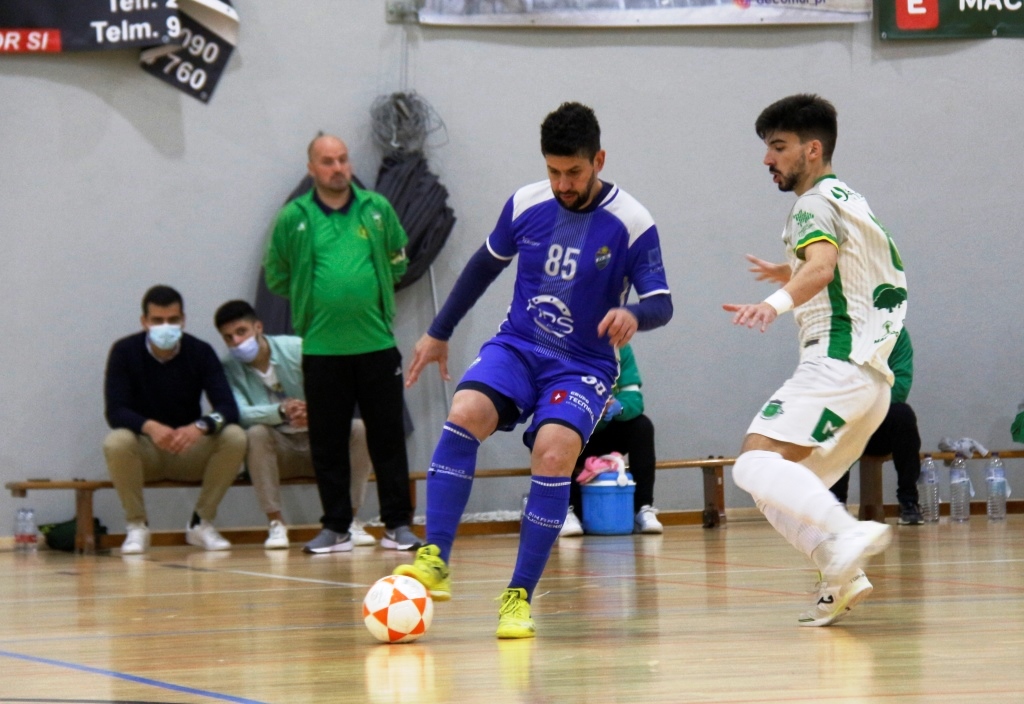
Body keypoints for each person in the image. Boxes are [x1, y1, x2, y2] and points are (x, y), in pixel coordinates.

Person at [393, 102, 673, 639]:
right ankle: (435, 556)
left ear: (599, 160)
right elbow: (481, 267)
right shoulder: (526, 202)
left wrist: (633, 313)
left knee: (554, 450)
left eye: (574, 172)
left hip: (583, 363)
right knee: (466, 409)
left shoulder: (633, 222)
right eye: (554, 171)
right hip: (520, 344)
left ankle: (518, 595)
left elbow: (662, 302)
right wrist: (438, 331)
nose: (563, 183)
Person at [723, 94, 908, 627]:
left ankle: (849, 533)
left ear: (812, 148)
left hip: (835, 363)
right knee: (773, 491)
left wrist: (774, 303)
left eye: (778, 147)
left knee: (754, 462)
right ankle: (842, 577)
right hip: (871, 384)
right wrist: (787, 272)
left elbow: (823, 268)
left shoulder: (810, 204)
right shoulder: (851, 199)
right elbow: (848, 271)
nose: (767, 160)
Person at [263, 134, 420, 554]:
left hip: (376, 344)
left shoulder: (377, 209)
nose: (337, 168)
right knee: (328, 441)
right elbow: (277, 273)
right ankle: (336, 527)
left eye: (343, 159)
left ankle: (397, 526)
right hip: (321, 348)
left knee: (386, 437)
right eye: (327, 161)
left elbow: (398, 259)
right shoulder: (294, 217)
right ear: (312, 169)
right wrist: (311, 297)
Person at [214, 300, 378, 550]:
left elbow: (336, 392)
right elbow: (238, 413)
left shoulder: (297, 349)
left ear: (258, 327)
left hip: (321, 440)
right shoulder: (228, 369)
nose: (236, 342)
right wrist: (280, 411)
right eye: (228, 338)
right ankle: (276, 524)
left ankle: (350, 520)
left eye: (241, 332)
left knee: (359, 429)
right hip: (280, 447)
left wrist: (316, 414)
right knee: (256, 434)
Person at [103, 285, 247, 554]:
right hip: (146, 451)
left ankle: (201, 523)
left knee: (235, 436)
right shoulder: (124, 351)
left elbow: (228, 408)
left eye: (172, 320)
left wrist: (200, 427)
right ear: (144, 322)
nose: (165, 326)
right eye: (157, 320)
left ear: (183, 320)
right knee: (117, 441)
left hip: (188, 450)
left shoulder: (200, 352)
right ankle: (137, 526)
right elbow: (115, 411)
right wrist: (150, 427)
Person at [561, 342, 662, 536]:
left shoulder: (620, 347)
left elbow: (634, 398)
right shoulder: (562, 344)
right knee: (543, 432)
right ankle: (565, 511)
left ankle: (643, 508)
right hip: (572, 431)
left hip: (606, 433)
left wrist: (620, 407)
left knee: (642, 426)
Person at [829, 328, 924, 525]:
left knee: (903, 415)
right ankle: (835, 505)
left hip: (878, 423)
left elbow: (900, 386)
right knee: (834, 417)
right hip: (849, 419)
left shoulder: (897, 334)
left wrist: (864, 398)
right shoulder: (840, 330)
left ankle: (909, 502)